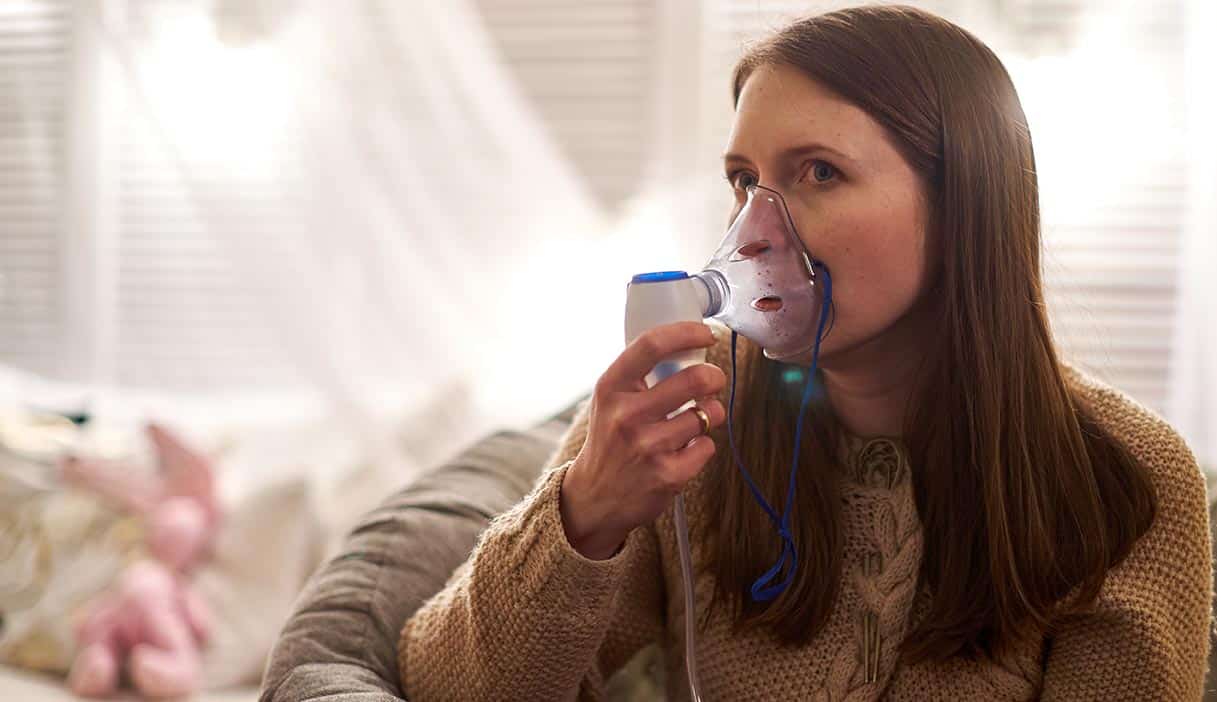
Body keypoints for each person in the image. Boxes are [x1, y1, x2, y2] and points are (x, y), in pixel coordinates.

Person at [396, 5, 1212, 700]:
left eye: (818, 172)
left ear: (964, 203)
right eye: (744, 180)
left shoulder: (1126, 484)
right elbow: (437, 687)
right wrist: (583, 516)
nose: (752, 231)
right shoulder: (694, 408)